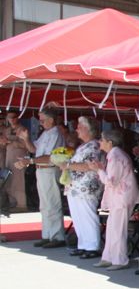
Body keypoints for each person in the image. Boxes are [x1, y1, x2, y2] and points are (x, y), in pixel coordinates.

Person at [89, 129, 139, 270]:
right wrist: (100, 169)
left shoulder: (116, 156)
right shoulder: (114, 155)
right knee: (112, 228)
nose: (100, 142)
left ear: (110, 143)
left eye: (102, 139)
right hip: (119, 197)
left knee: (117, 229)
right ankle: (109, 257)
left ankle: (119, 260)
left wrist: (98, 170)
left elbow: (111, 181)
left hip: (122, 197)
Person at [15, 107, 65, 247]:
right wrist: (26, 139)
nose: (40, 123)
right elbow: (34, 150)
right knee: (44, 205)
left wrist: (29, 161)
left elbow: (49, 157)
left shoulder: (56, 133)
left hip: (49, 170)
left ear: (51, 120)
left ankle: (57, 237)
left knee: (52, 203)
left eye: (42, 120)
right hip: (41, 170)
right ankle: (47, 234)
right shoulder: (46, 133)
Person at [61, 117, 104, 259]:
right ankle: (83, 244)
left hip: (86, 188)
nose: (77, 129)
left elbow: (88, 166)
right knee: (78, 216)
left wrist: (67, 165)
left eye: (79, 126)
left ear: (88, 129)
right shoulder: (83, 145)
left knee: (88, 216)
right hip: (76, 187)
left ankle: (93, 246)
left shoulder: (94, 146)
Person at [0, 114, 29, 210]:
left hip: (19, 157)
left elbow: (25, 145)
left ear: (18, 118)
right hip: (8, 156)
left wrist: (9, 141)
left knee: (18, 181)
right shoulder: (7, 130)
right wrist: (3, 142)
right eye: (9, 117)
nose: (12, 119)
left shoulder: (22, 129)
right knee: (9, 181)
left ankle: (21, 205)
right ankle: (13, 203)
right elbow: (4, 144)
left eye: (14, 117)